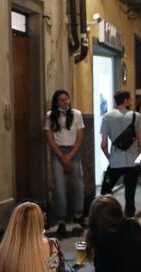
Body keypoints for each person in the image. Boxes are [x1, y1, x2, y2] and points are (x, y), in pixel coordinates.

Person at [44, 89, 85, 238]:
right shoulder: (50, 116)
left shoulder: (77, 114)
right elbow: (50, 138)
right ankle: (61, 220)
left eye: (66, 99)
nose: (64, 102)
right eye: (61, 100)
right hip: (57, 152)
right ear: (56, 102)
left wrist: (71, 154)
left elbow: (80, 136)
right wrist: (62, 156)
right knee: (59, 187)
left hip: (74, 150)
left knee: (78, 184)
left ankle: (78, 215)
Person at [100, 89, 141, 219]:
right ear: (125, 100)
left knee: (105, 191)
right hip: (132, 161)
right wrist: (140, 158)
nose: (131, 101)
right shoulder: (136, 116)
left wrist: (110, 158)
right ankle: (129, 219)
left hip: (115, 161)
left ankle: (109, 215)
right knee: (130, 194)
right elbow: (140, 142)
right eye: (129, 99)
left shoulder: (107, 117)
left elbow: (103, 144)